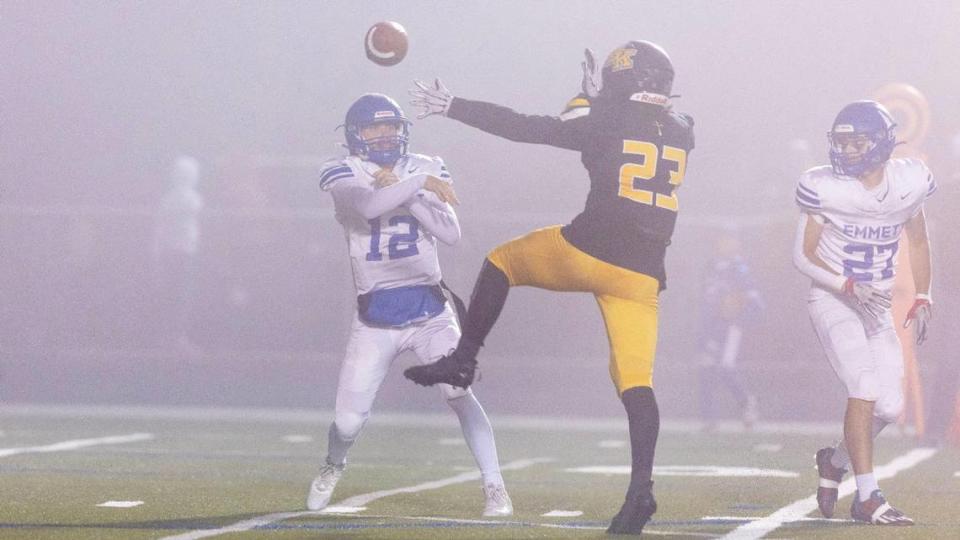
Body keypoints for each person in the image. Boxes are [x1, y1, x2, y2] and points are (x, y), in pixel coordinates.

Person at [404, 41, 695, 535]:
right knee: (636, 383)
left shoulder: (605, 118)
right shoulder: (686, 131)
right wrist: (597, 102)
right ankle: (640, 491)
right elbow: (614, 139)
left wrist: (456, 106)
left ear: (623, 79)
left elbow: (528, 128)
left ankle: (463, 357)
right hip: (642, 277)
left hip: (587, 252)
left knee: (501, 262)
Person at [306, 93, 512, 517]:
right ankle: (333, 463)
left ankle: (495, 485)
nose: (384, 135)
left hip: (430, 308)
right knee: (347, 423)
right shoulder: (342, 170)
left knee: (458, 389)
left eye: (391, 126)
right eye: (374, 127)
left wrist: (413, 190)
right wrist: (414, 184)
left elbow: (450, 234)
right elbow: (367, 204)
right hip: (376, 316)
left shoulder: (425, 164)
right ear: (355, 135)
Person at [793, 100, 934, 526]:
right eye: (842, 142)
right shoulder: (823, 185)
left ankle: (834, 461)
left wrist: (924, 293)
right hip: (834, 298)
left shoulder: (910, 182)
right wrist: (847, 283)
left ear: (882, 143)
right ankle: (868, 497)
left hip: (877, 306)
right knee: (864, 384)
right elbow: (802, 255)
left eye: (857, 142)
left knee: (889, 407)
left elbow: (919, 238)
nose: (848, 151)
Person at [696, 230, 762, 431]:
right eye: (722, 239)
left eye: (730, 240)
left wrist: (738, 315)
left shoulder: (739, 268)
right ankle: (709, 418)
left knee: (726, 366)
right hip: (711, 324)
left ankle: (746, 403)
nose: (725, 244)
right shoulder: (711, 266)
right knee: (706, 366)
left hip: (731, 324)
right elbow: (705, 295)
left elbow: (753, 299)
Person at [153, 155, 204, 353]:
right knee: (180, 295)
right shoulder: (190, 199)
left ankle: (171, 337)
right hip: (182, 251)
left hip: (172, 251)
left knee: (174, 295)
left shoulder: (169, 199)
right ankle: (175, 338)